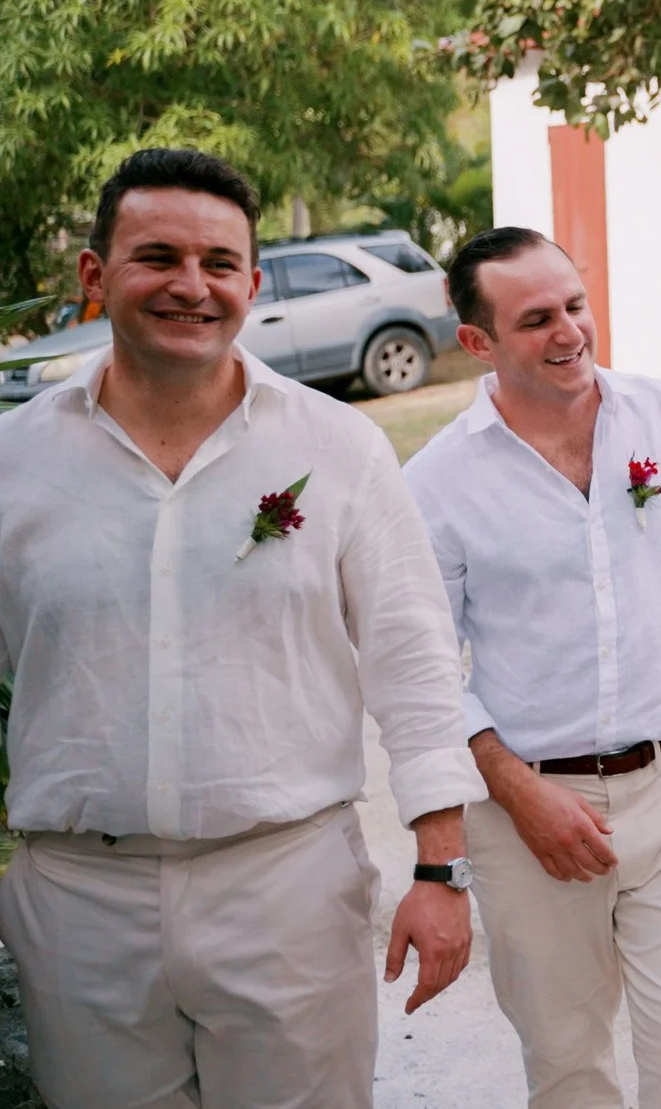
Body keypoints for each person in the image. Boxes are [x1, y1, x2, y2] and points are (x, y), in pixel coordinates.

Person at [0, 149, 484, 1107]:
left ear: (253, 286)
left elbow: (415, 663)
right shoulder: (16, 461)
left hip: (287, 889)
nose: (192, 285)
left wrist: (442, 866)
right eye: (158, 257)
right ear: (95, 273)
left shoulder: (338, 448)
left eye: (219, 263)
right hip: (81, 906)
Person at [403, 227, 661, 1109]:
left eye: (576, 306)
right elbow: (422, 672)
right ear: (477, 341)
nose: (569, 333)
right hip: (530, 810)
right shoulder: (438, 482)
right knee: (566, 1060)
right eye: (536, 320)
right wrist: (518, 793)